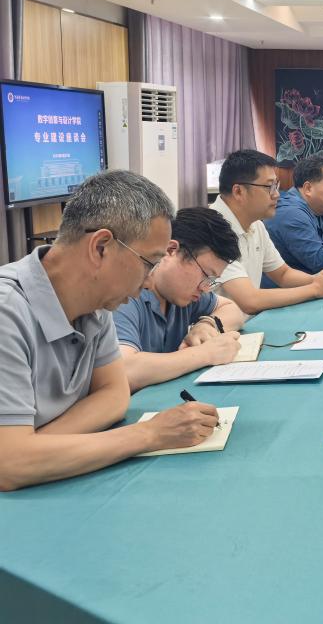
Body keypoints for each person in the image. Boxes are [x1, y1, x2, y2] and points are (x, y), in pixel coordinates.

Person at [0, 171, 222, 491]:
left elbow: (115, 395)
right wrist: (149, 434)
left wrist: (35, 446)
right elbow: (9, 466)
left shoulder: (97, 305)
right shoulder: (8, 312)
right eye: (149, 263)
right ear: (101, 247)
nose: (150, 281)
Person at [114, 208, 246, 392]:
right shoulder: (126, 294)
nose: (205, 288)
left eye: (212, 281)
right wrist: (205, 354)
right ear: (171, 251)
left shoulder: (181, 295)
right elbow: (124, 370)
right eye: (206, 275)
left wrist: (206, 324)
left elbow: (232, 309)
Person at [210, 149, 323, 316]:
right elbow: (250, 301)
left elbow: (283, 274)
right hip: (221, 328)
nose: (277, 194)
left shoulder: (256, 224)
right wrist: (315, 288)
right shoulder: (212, 228)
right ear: (238, 191)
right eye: (269, 187)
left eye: (276, 186)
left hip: (248, 323)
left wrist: (316, 279)